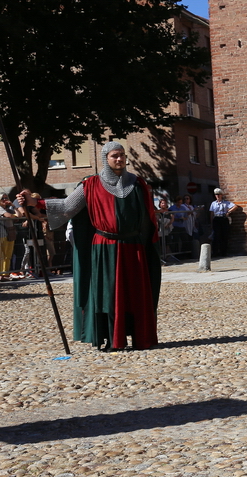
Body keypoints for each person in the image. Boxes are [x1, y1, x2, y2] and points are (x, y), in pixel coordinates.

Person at [34, 142, 161, 350]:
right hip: (104, 247)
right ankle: (112, 338)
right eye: (114, 156)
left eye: (121, 155)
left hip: (133, 247)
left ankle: (141, 338)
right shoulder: (91, 184)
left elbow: (148, 219)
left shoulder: (137, 183)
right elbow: (67, 207)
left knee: (136, 294)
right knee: (107, 295)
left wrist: (148, 247)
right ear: (105, 158)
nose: (119, 159)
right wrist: (35, 203)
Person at [209, 188, 240, 257]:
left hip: (223, 218)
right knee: (215, 236)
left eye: (219, 194)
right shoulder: (213, 203)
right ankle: (215, 252)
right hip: (216, 219)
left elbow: (235, 206)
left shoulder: (226, 203)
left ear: (221, 195)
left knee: (224, 236)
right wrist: (211, 222)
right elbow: (211, 213)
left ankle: (223, 252)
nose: (217, 196)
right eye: (216, 194)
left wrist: (228, 212)